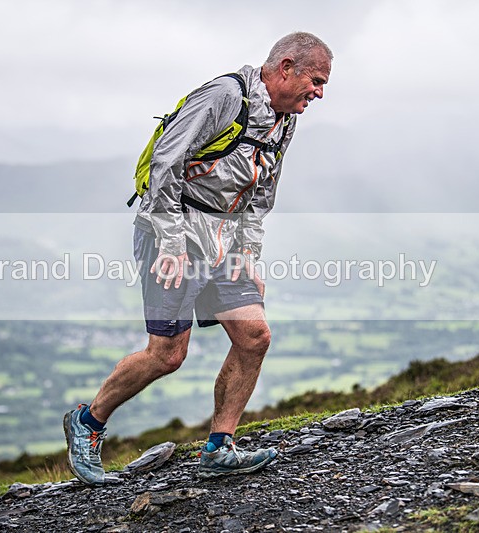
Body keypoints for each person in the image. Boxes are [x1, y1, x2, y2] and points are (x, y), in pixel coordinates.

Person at [64, 32, 333, 485]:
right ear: (286, 67)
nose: (319, 93)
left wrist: (248, 252)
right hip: (174, 229)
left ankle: (219, 446)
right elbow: (167, 162)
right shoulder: (226, 96)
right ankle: (87, 423)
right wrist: (170, 242)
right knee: (168, 354)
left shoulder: (284, 120)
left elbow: (262, 191)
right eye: (316, 80)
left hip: (224, 239)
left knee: (254, 336)